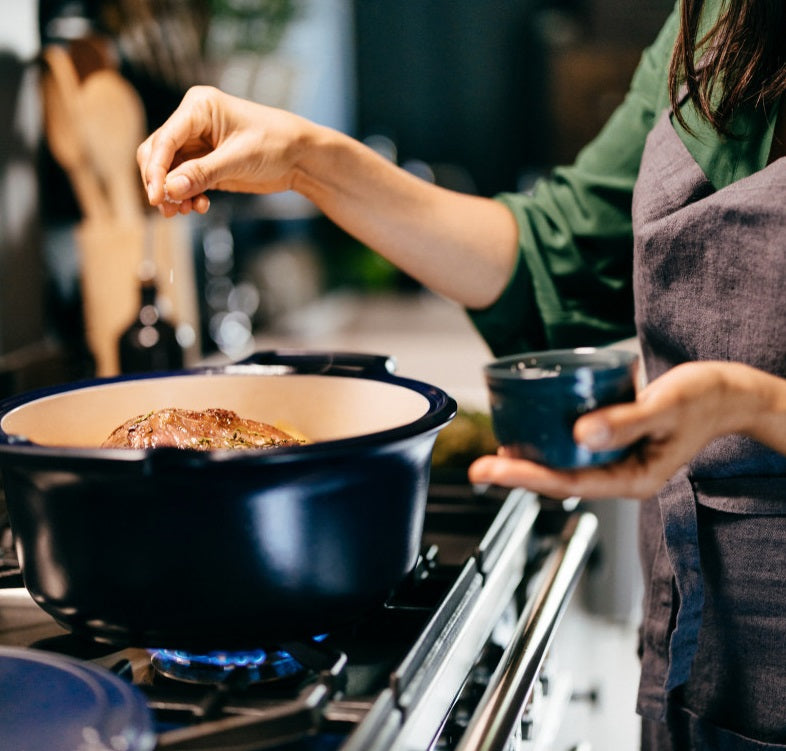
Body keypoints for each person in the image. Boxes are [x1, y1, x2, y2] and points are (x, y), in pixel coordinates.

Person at [137, 0, 786, 747]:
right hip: (699, 650)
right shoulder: (717, 21)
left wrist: (750, 404)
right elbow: (554, 252)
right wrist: (309, 158)